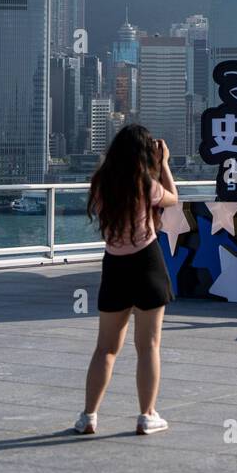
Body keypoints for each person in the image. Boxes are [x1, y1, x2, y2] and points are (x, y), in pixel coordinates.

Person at [73, 124, 179, 436]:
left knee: (105, 348)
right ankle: (147, 415)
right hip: (146, 263)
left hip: (114, 266)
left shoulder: (102, 183)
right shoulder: (146, 183)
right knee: (148, 346)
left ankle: (88, 416)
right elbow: (172, 199)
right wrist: (164, 164)